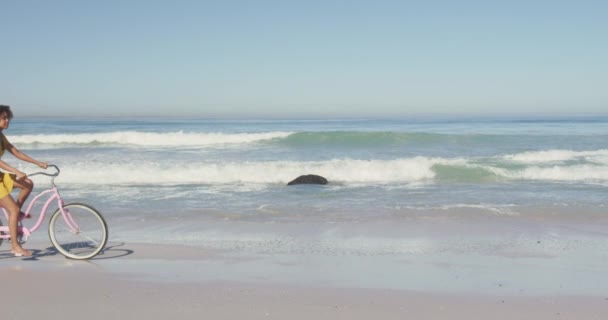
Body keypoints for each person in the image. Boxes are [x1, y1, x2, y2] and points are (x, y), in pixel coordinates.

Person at [0, 105, 48, 257]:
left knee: (28, 184)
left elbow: (16, 152)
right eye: (3, 118)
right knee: (12, 210)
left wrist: (37, 162)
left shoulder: (1, 137)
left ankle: (16, 212)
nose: (7, 121)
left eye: (8, 118)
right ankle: (15, 246)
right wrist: (16, 171)